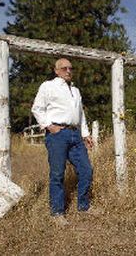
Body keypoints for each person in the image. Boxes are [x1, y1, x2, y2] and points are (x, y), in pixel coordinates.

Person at [32, 58, 93, 223]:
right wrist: (48, 126)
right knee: (58, 174)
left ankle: (83, 207)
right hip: (57, 134)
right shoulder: (48, 86)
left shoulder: (76, 90)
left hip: (75, 134)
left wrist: (85, 134)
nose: (68, 71)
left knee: (86, 170)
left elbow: (80, 114)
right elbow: (37, 108)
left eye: (70, 68)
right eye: (64, 68)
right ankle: (57, 213)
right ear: (56, 70)